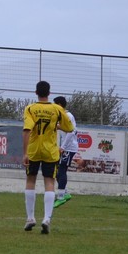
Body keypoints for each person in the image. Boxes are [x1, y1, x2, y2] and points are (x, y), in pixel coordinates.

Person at [22, 81, 75, 234]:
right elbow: (69, 128)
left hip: (34, 150)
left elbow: (27, 130)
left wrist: (25, 153)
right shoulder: (57, 109)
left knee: (30, 180)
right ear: (49, 93)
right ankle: (46, 219)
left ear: (36, 92)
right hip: (50, 151)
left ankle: (30, 218)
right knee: (49, 182)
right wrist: (55, 125)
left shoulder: (30, 108)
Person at [53, 96, 78, 208]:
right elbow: (65, 128)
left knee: (62, 170)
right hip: (65, 147)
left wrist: (63, 147)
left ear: (59, 104)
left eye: (55, 104)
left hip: (68, 148)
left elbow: (71, 132)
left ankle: (61, 197)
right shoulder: (63, 116)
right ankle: (65, 193)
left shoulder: (68, 116)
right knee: (56, 170)